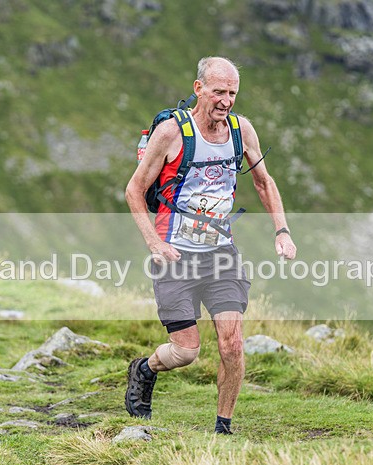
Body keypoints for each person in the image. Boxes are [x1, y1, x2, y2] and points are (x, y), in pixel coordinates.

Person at [124, 56, 296, 434]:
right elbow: (134, 190)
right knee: (185, 351)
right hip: (175, 255)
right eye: (219, 91)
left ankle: (223, 427)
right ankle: (145, 369)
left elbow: (264, 183)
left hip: (221, 254)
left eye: (233, 93)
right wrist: (154, 244)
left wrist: (281, 231)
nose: (226, 100)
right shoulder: (171, 133)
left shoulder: (241, 130)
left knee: (232, 344)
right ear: (199, 88)